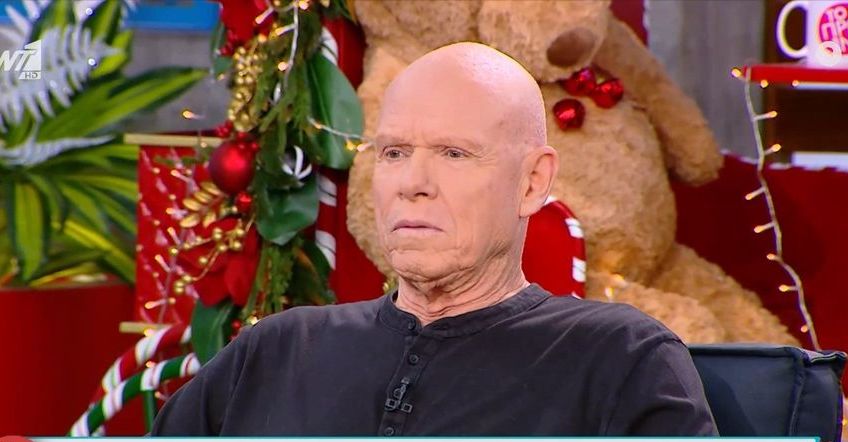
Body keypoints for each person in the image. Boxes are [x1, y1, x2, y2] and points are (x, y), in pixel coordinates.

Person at [151, 42, 717, 436]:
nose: (413, 183)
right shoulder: (277, 349)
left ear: (532, 182)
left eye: (454, 153)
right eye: (394, 152)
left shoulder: (619, 357)